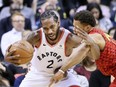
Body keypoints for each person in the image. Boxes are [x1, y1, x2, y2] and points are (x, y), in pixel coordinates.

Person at [4, 10, 99, 87]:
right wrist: (8, 55)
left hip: (63, 75)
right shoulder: (35, 36)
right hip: (37, 75)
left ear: (58, 23)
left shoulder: (70, 38)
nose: (49, 31)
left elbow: (92, 52)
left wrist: (93, 43)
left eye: (52, 26)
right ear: (41, 27)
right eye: (45, 28)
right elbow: (18, 49)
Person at [49, 10, 116, 87]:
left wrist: (61, 70)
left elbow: (80, 53)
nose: (74, 30)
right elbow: (95, 56)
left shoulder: (94, 36)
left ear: (87, 27)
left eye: (76, 27)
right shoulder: (95, 36)